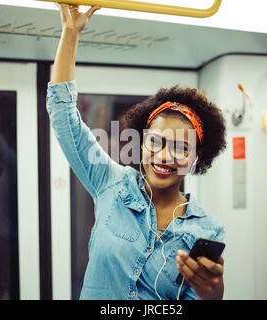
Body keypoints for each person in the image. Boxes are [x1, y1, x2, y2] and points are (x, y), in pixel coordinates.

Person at [46, 3, 227, 300]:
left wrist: (213, 291)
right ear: (142, 143)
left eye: (181, 148)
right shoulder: (110, 184)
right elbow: (63, 115)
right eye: (156, 142)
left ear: (196, 158)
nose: (164, 156)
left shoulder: (207, 228)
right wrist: (69, 33)